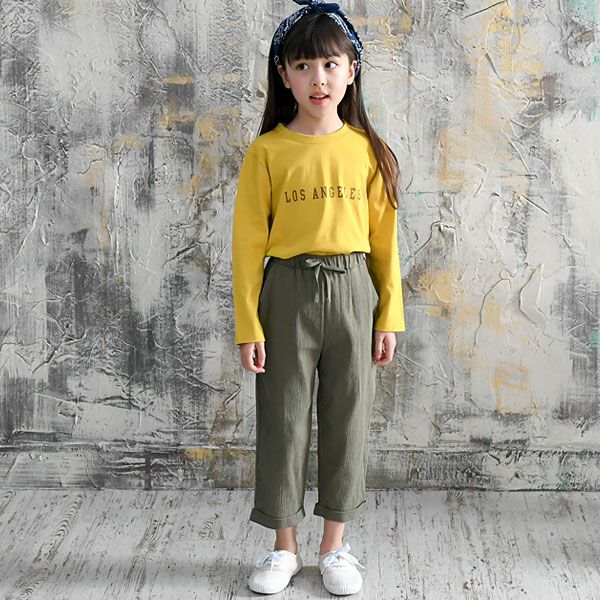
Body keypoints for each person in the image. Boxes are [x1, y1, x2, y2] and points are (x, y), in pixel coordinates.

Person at [231, 0, 406, 594]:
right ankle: (284, 546)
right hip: (286, 291)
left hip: (354, 291)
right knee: (283, 418)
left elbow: (384, 243)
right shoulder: (267, 152)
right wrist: (249, 324)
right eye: (303, 66)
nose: (318, 79)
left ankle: (335, 547)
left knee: (347, 417)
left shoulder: (366, 150)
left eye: (330, 64)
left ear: (352, 70)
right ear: (283, 75)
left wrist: (388, 316)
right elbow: (248, 244)